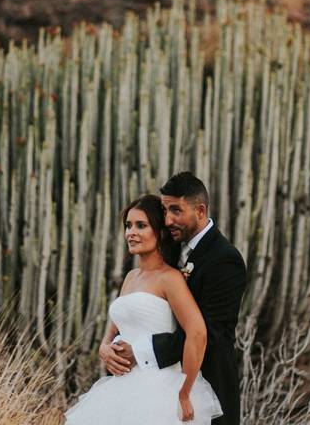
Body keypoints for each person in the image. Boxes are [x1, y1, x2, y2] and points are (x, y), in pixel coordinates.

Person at [103, 172, 248, 425]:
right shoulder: (169, 250)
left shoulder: (224, 259)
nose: (168, 220)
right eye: (165, 211)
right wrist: (108, 348)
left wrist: (138, 351)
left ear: (200, 211)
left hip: (204, 386)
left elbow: (208, 333)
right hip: (142, 382)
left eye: (176, 210)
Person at [65, 194, 223, 424]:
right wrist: (103, 349)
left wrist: (185, 392)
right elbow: (113, 330)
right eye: (128, 226)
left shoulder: (170, 278)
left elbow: (197, 332)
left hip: (159, 388)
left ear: (159, 232)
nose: (131, 232)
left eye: (141, 225)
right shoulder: (130, 277)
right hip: (121, 387)